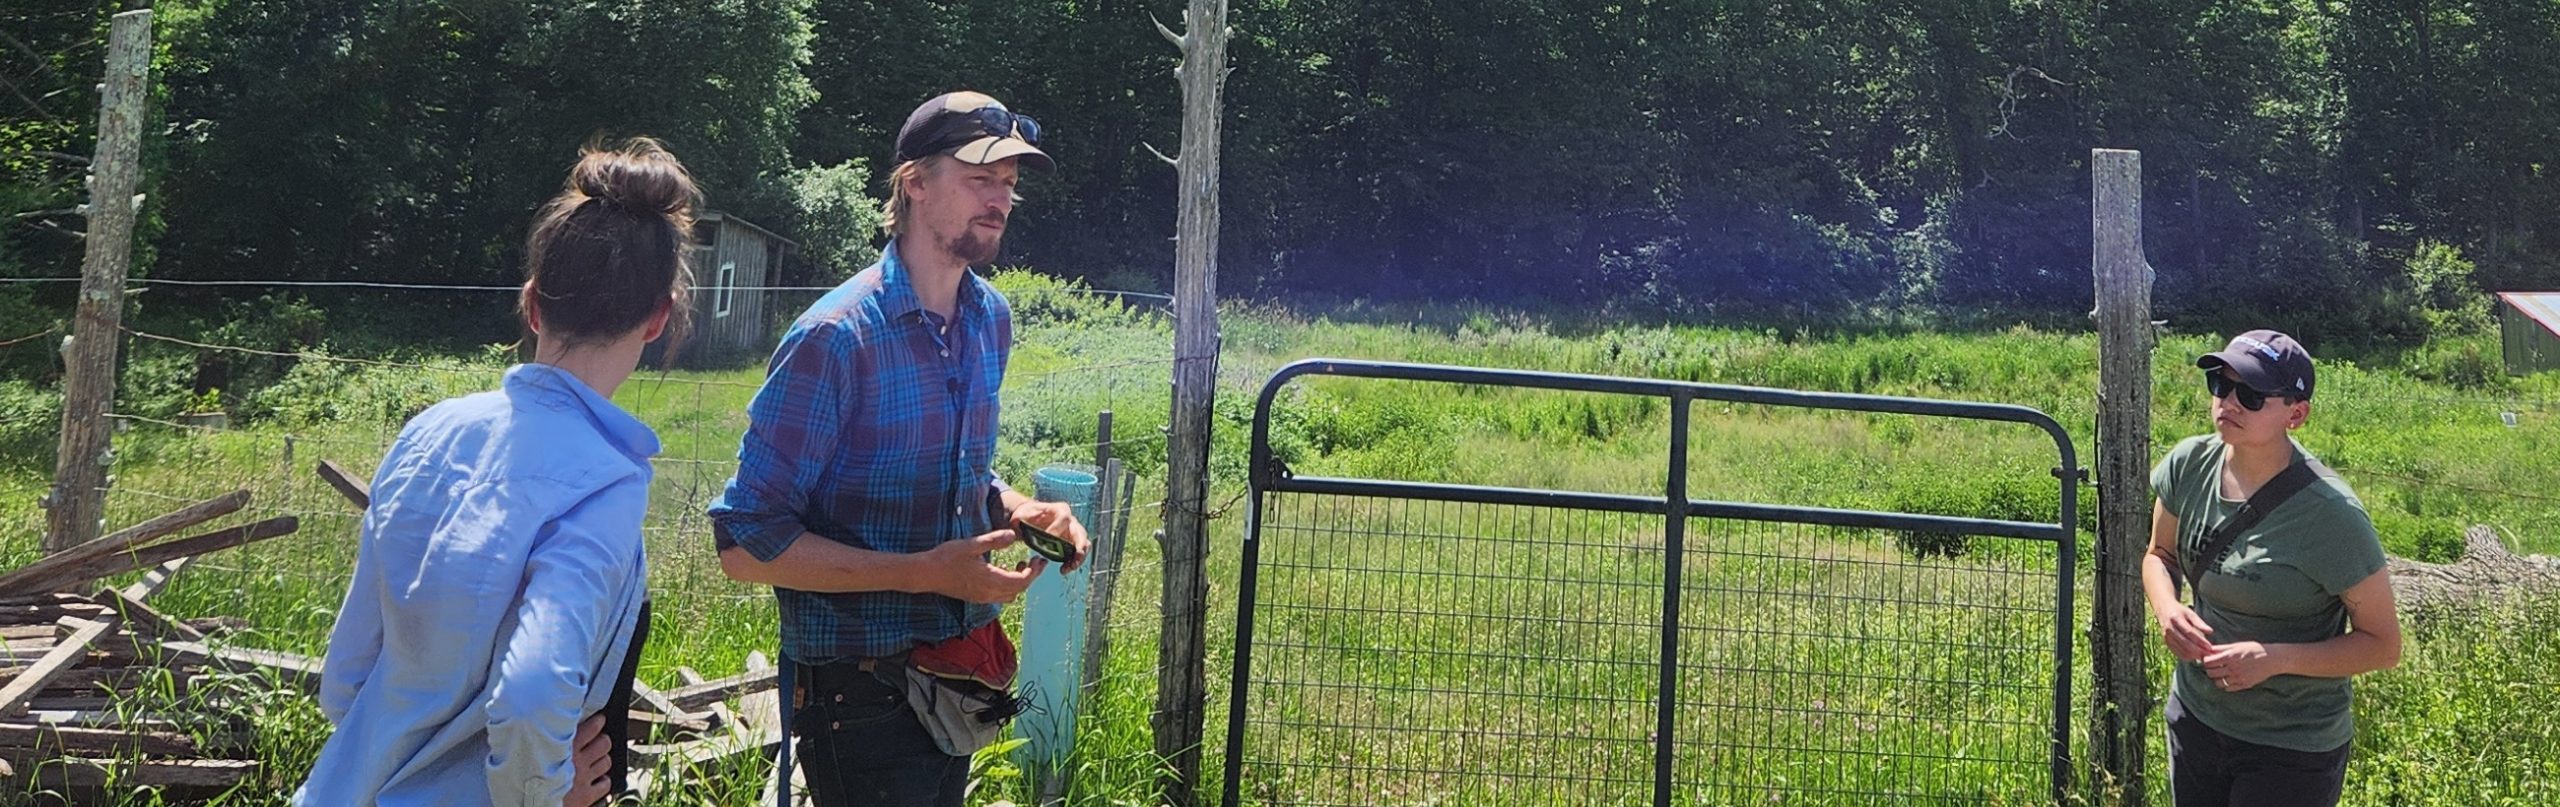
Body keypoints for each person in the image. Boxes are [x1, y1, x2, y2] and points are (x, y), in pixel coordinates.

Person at [708, 90, 1089, 807]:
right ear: (914, 181)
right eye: (981, 177)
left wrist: (1021, 507)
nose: (1000, 197)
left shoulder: (988, 319)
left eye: (1009, 183)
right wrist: (926, 573)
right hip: (860, 696)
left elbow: (963, 477)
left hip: (958, 684)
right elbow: (743, 542)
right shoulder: (836, 337)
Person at [295, 138, 696, 807]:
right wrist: (544, 794)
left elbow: (344, 679)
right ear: (658, 319)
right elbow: (534, 692)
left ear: (534, 303)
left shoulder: (431, 431)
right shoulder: (603, 484)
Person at [2143, 329, 2404, 807]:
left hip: (2291, 747)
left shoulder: (2332, 515)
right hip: (2196, 717)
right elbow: (2159, 555)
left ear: (2296, 414)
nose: (2230, 402)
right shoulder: (2189, 463)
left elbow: (2383, 646)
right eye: (2221, 385)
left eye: (2252, 394)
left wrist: (2275, 659)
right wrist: (2167, 610)